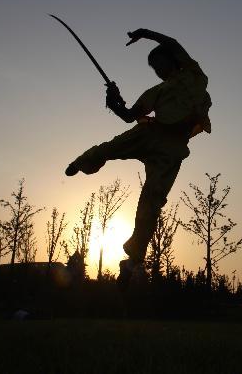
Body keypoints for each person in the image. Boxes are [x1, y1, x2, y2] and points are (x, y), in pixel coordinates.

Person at [64, 28, 211, 288]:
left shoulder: (193, 74)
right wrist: (114, 99)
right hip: (148, 134)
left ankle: (132, 260)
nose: (157, 70)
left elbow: (172, 41)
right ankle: (82, 162)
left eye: (159, 63)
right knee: (111, 148)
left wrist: (145, 33)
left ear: (171, 60)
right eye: (153, 67)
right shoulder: (156, 91)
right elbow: (129, 115)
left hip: (172, 148)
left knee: (152, 202)